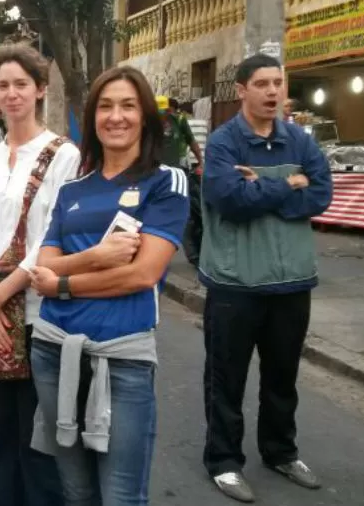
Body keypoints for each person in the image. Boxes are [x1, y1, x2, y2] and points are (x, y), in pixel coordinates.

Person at [27, 65, 190, 505]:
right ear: (92, 118)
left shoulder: (166, 182)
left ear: (145, 117)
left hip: (122, 358)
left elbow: (142, 274)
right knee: (75, 491)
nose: (116, 116)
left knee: (120, 495)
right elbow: (45, 262)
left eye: (128, 106)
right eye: (105, 106)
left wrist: (61, 284)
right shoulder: (71, 188)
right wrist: (97, 258)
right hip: (53, 351)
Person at [199, 54, 333, 503]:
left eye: (278, 82)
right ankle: (223, 461)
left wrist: (265, 187)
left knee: (282, 377)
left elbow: (321, 194)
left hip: (292, 280)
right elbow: (230, 199)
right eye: (262, 83)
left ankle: (280, 451)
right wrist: (285, 184)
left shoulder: (300, 140)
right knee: (226, 380)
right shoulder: (223, 144)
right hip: (235, 284)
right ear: (242, 89)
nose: (272, 92)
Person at [0, 43, 79, 506]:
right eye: (3, 85)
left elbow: (53, 237)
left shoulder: (63, 154)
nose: (12, 94)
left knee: (36, 441)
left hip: (36, 315)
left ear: (40, 89)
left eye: (21, 84)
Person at [158, 96, 203, 170]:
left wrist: (201, 162)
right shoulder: (149, 124)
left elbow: (191, 141)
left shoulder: (179, 120)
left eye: (166, 111)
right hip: (155, 170)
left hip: (175, 168)